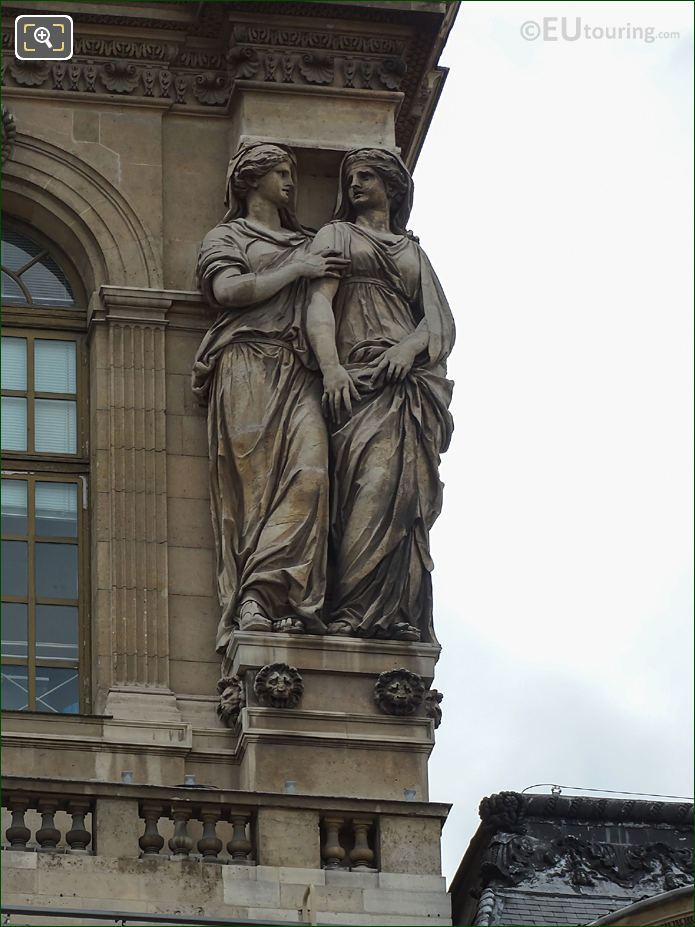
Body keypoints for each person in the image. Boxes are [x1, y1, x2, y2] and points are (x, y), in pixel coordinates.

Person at [192, 142, 348, 655]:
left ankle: (291, 595)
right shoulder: (228, 235)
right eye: (280, 172)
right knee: (255, 489)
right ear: (250, 180)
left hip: (298, 367)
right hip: (246, 362)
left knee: (311, 475)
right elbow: (226, 291)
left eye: (291, 172)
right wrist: (294, 271)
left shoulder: (309, 240)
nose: (289, 181)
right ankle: (256, 598)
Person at [305, 147, 455, 643]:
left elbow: (439, 323)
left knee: (402, 493)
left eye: (367, 176)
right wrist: (330, 369)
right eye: (351, 176)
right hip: (356, 381)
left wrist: (409, 350)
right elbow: (319, 306)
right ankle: (350, 607)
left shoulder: (413, 252)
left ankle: (389, 613)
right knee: (365, 490)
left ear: (392, 187)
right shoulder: (337, 235)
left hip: (406, 386)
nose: (356, 184)